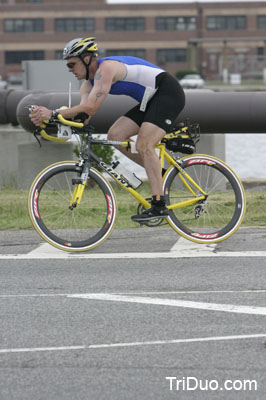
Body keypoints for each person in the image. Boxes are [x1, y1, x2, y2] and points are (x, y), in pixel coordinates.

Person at [30, 37, 185, 222]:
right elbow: (84, 117)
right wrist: (51, 122)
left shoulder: (107, 69)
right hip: (150, 101)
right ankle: (160, 176)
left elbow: (91, 108)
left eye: (72, 64)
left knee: (145, 144)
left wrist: (53, 113)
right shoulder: (88, 84)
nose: (69, 69)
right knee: (116, 135)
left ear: (87, 59)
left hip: (168, 93)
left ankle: (159, 205)